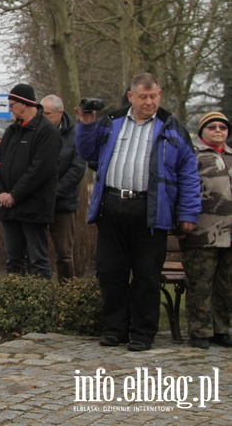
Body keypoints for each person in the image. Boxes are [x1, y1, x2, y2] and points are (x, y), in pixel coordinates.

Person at [76, 73, 200, 352]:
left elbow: (189, 173)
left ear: (160, 94)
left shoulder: (172, 128)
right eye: (143, 96)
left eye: (154, 96)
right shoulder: (112, 122)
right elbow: (87, 152)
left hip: (151, 210)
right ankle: (115, 329)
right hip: (113, 205)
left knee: (146, 274)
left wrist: (189, 213)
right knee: (111, 271)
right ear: (131, 96)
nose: (149, 101)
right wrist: (86, 124)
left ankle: (143, 333)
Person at [0, 84, 61, 278]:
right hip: (8, 208)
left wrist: (15, 195)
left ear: (24, 104)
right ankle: (16, 301)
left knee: (37, 259)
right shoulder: (12, 131)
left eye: (12, 104)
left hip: (33, 208)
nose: (10, 109)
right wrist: (0, 193)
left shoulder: (47, 132)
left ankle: (39, 303)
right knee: (14, 259)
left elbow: (39, 170)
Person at [183, 112, 232, 349]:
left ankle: (222, 329)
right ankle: (200, 330)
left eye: (222, 127)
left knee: (225, 285)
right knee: (200, 284)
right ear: (202, 132)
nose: (218, 130)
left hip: (229, 233)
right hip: (202, 231)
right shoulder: (193, 155)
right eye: (212, 127)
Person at [40, 95, 86, 281]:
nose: (43, 117)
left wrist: (54, 193)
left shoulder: (77, 135)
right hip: (40, 203)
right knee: (37, 253)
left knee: (64, 254)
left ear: (60, 113)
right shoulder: (37, 132)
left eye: (47, 114)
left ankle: (67, 293)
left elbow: (78, 169)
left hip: (63, 204)